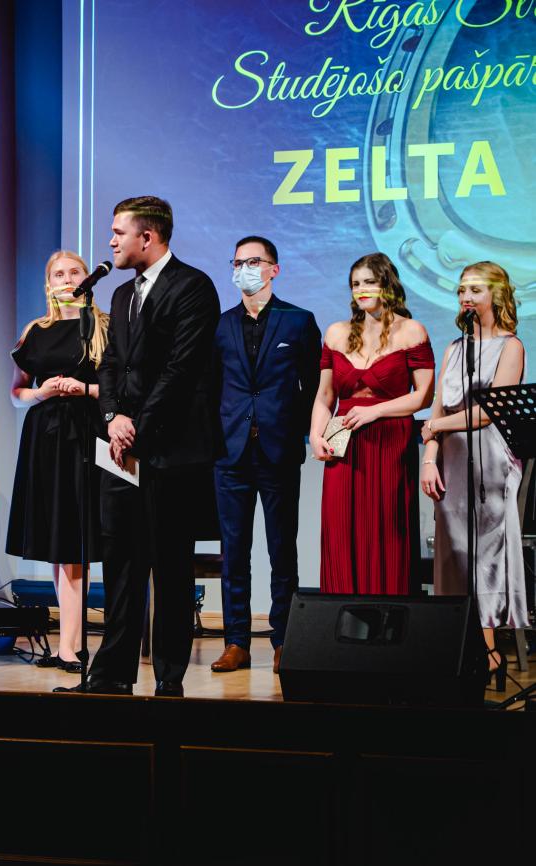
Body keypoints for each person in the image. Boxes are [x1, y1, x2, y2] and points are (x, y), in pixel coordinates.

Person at [59, 195, 221, 697]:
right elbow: (110, 364)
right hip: (122, 448)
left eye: (118, 232)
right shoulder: (123, 294)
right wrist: (113, 419)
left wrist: (138, 427)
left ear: (147, 237)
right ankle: (111, 673)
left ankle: (169, 677)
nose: (110, 242)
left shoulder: (193, 287)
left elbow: (180, 371)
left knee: (170, 564)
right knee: (121, 562)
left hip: (171, 449)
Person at [210, 236, 321, 674]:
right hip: (230, 453)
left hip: (278, 449)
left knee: (282, 551)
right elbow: (211, 388)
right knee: (234, 552)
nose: (244, 269)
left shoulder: (299, 321)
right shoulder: (220, 325)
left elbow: (314, 388)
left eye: (253, 261)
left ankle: (283, 639)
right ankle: (236, 641)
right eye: (238, 262)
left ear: (274, 269)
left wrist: (301, 430)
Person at [421, 261, 528, 683]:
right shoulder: (454, 348)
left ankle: (488, 652)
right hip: (450, 459)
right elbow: (437, 409)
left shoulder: (510, 346)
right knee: (453, 552)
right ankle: (456, 647)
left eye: (475, 289)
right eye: (462, 290)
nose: (466, 297)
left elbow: (486, 413)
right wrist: (429, 457)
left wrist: (435, 427)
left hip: (490, 460)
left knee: (484, 553)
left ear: (495, 295)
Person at [6, 250, 108, 674]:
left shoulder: (104, 328)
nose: (67, 279)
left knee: (77, 543)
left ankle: (71, 645)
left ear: (86, 278)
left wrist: (84, 389)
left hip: (88, 433)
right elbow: (18, 392)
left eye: (74, 272)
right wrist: (42, 392)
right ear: (48, 283)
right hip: (46, 437)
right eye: (58, 274)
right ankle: (69, 643)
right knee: (57, 542)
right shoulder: (36, 330)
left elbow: (122, 389)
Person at [310, 252, 433, 595]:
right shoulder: (337, 333)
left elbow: (423, 397)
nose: (361, 290)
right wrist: (316, 434)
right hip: (343, 441)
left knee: (387, 529)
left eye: (369, 282)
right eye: (355, 284)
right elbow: (325, 396)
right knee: (341, 528)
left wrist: (375, 411)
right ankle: (344, 617)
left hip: (390, 441)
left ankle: (389, 617)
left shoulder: (411, 331)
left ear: (387, 285)